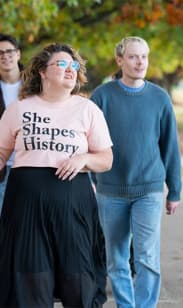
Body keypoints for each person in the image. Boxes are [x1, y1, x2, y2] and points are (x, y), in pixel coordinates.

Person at [0, 43, 113, 307]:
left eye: (74, 65)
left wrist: (84, 158)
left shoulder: (88, 110)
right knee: (30, 283)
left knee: (79, 282)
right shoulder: (19, 109)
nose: (70, 70)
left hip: (73, 208)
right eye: (62, 64)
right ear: (42, 71)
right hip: (26, 210)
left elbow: (106, 159)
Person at [91, 36, 182, 308]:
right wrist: (90, 180)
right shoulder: (102, 96)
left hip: (149, 189)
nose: (140, 61)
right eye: (133, 56)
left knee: (146, 256)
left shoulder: (159, 98)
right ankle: (126, 305)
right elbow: (88, 141)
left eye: (144, 56)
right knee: (116, 258)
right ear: (120, 60)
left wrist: (175, 189)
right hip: (110, 190)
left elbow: (170, 146)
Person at [0, 33, 23, 214]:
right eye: (0, 53)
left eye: (9, 51)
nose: (5, 56)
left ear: (18, 54)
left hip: (29, 166)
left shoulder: (37, 84)